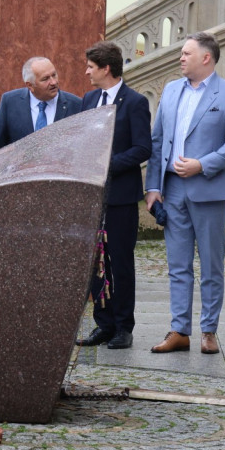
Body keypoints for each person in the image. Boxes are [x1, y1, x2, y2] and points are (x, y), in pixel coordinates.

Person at [145, 32, 225, 355]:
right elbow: (158, 141)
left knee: (211, 264)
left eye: (187, 53)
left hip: (209, 191)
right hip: (172, 191)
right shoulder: (171, 90)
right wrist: (153, 187)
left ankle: (209, 331)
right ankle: (179, 330)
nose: (181, 57)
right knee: (177, 265)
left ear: (206, 58)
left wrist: (202, 165)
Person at [75, 41, 152, 351]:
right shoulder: (89, 99)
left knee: (119, 263)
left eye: (91, 67)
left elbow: (142, 149)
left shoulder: (134, 102)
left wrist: (107, 165)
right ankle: (103, 324)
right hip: (91, 196)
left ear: (106, 68)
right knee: (96, 262)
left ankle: (123, 326)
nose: (87, 72)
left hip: (120, 197)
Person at [0, 57, 83, 151]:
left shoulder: (76, 105)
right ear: (30, 85)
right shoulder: (10, 102)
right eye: (45, 79)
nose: (53, 82)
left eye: (54, 75)